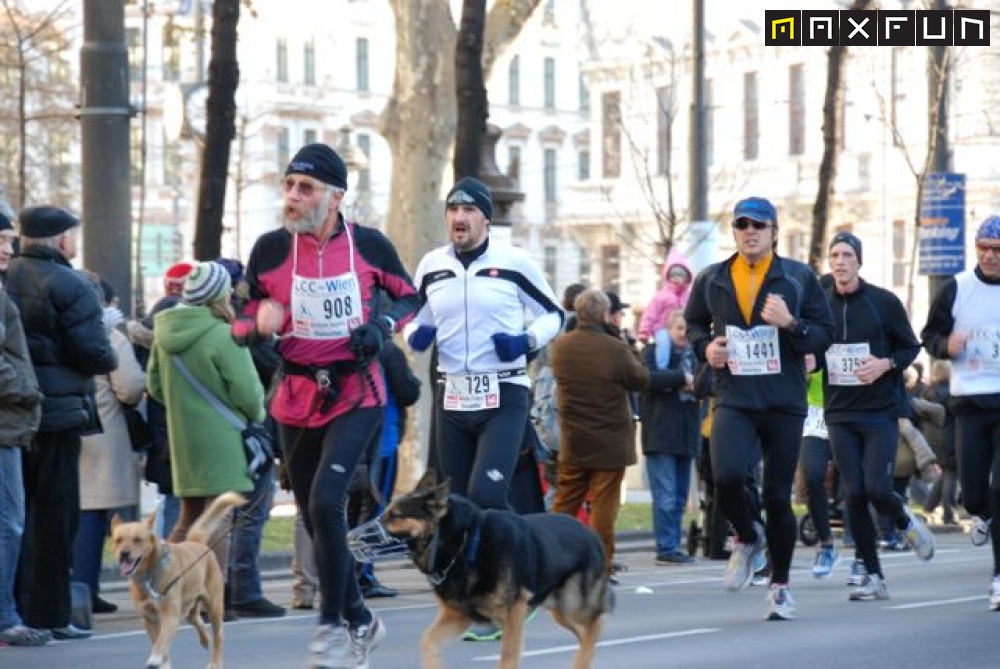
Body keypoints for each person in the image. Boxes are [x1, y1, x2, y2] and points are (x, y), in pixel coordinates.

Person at [238, 143, 419, 667]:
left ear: (335, 197)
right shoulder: (271, 248)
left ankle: (330, 630)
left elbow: (410, 296)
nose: (293, 197)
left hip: (357, 391)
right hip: (296, 395)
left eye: (306, 188)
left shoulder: (369, 245)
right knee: (318, 520)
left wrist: (380, 328)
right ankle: (360, 615)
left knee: (324, 501)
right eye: (289, 185)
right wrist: (256, 326)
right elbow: (241, 317)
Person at [404, 176, 562, 641]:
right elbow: (418, 317)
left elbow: (554, 313)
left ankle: (519, 591)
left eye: (469, 210)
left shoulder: (515, 263)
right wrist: (418, 335)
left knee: (488, 495)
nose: (459, 217)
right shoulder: (432, 265)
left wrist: (526, 341)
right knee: (460, 505)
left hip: (504, 393)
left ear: (485, 218)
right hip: (453, 396)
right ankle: (480, 600)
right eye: (453, 209)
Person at [684, 196, 833, 621]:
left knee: (777, 497)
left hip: (783, 401)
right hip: (733, 395)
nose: (750, 232)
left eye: (758, 225)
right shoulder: (713, 278)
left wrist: (791, 323)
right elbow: (694, 322)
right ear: (733, 231)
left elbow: (822, 335)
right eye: (742, 225)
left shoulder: (799, 277)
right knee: (727, 476)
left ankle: (781, 587)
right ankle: (747, 536)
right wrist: (705, 347)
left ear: (774, 232)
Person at [7, 206, 118, 640]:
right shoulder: (69, 283)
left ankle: (12, 608)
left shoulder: (8, 278)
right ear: (60, 239)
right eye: (72, 233)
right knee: (56, 516)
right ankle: (50, 615)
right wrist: (106, 348)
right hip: (58, 412)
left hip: (16, 413)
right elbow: (94, 353)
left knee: (17, 515)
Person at [820, 232, 935, 603]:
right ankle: (873, 574)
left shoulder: (882, 302)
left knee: (877, 489)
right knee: (853, 493)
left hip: (880, 411)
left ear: (859, 261)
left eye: (847, 255)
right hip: (839, 411)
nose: (840, 261)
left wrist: (885, 364)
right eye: (834, 255)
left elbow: (910, 346)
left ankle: (902, 520)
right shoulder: (820, 304)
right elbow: (810, 344)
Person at [146, 261, 265, 599]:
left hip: (182, 438)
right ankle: (211, 594)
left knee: (188, 516)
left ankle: (165, 585)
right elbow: (247, 392)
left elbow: (154, 388)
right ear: (219, 295)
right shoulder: (222, 334)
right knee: (219, 518)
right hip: (223, 438)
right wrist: (256, 412)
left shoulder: (163, 335)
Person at [921, 215, 1000, 611]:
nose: (989, 256)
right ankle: (982, 513)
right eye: (983, 248)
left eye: (996, 250)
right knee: (971, 493)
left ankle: (998, 577)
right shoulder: (957, 289)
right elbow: (928, 334)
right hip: (968, 402)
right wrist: (945, 344)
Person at [72, 276, 146, 617]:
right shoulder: (110, 337)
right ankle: (93, 588)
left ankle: (80, 589)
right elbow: (129, 388)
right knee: (107, 513)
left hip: (70, 431)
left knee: (80, 513)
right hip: (107, 434)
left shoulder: (62, 330)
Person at [217, 257, 286, 620]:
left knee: (219, 514)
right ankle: (243, 589)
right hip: (249, 433)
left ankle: (223, 588)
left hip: (220, 432)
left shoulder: (204, 328)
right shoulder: (243, 333)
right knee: (250, 514)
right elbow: (264, 376)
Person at [0, 213, 49, 647]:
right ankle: (5, 618)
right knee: (9, 523)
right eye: (0, 240)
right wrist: (23, 390)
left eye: (10, 240)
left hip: (9, 422)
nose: (8, 249)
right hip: (4, 423)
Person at [640, 309, 700, 565]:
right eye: (679, 328)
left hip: (686, 435)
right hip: (660, 433)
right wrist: (682, 378)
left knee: (678, 497)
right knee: (665, 496)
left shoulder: (696, 355)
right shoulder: (652, 352)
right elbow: (649, 379)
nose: (684, 334)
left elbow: (707, 382)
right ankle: (666, 547)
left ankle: (673, 545)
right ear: (669, 328)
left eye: (687, 329)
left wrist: (695, 382)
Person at [798, 365, 840, 578]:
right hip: (816, 413)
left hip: (850, 408)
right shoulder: (809, 332)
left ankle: (864, 560)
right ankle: (826, 544)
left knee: (858, 486)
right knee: (812, 477)